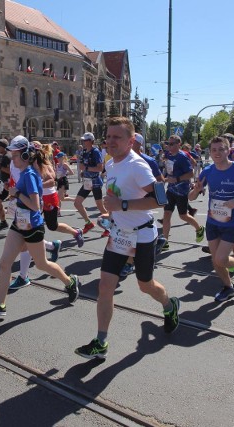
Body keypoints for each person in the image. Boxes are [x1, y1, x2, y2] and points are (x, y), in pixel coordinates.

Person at [75, 117, 180, 360]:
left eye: (117, 137)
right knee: (104, 287)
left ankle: (169, 304)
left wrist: (121, 205)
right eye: (108, 136)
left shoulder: (138, 165)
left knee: (145, 285)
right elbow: (115, 195)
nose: (110, 141)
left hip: (142, 235)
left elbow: (161, 199)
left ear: (131, 141)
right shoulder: (110, 164)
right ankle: (101, 342)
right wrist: (110, 214)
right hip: (119, 235)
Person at [0, 136, 80, 315]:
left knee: (42, 264)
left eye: (16, 155)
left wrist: (17, 193)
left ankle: (70, 282)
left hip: (32, 227)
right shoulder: (23, 172)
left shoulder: (30, 175)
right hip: (19, 224)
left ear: (26, 156)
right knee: (4, 263)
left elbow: (36, 205)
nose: (13, 158)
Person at [189, 136, 234, 302]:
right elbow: (191, 198)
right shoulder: (208, 171)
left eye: (221, 149)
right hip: (212, 222)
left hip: (232, 223)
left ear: (229, 150)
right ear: (210, 152)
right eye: (214, 150)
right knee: (216, 262)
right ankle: (228, 287)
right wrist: (196, 189)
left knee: (221, 258)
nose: (217, 153)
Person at [120, 133, 166, 277]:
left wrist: (151, 194)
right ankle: (153, 244)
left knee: (133, 233)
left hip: (142, 203)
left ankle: (129, 263)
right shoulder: (121, 160)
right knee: (127, 234)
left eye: (131, 142)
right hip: (124, 209)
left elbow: (160, 181)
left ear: (138, 144)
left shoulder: (148, 160)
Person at [160, 135, 205, 252]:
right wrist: (165, 178)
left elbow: (190, 173)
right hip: (170, 189)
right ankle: (165, 241)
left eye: (171, 144)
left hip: (182, 191)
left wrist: (177, 179)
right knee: (166, 214)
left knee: (183, 215)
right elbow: (169, 170)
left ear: (178, 144)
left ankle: (199, 228)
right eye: (168, 143)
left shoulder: (183, 157)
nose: (169, 146)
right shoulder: (168, 155)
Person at [74, 132, 108, 235]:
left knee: (99, 206)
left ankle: (110, 226)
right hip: (87, 181)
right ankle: (88, 223)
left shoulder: (95, 152)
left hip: (95, 181)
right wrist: (84, 171)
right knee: (77, 203)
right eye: (83, 140)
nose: (83, 142)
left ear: (91, 141)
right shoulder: (84, 151)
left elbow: (100, 168)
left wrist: (86, 168)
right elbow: (85, 165)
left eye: (85, 140)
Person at [0, 139, 12, 231]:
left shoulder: (7, 157)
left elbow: (11, 171)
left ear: (4, 147)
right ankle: (3, 222)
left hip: (7, 183)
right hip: (3, 182)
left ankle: (5, 222)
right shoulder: (4, 156)